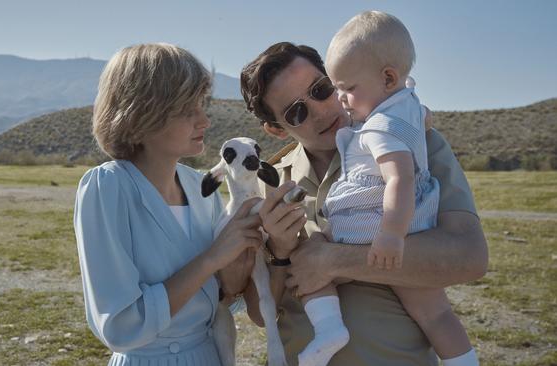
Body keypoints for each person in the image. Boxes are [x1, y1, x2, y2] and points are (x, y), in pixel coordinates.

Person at [236, 41, 488, 365]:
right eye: (296, 112)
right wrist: (280, 254)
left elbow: (469, 257)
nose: (320, 110)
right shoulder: (269, 184)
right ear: (275, 129)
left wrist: (335, 260)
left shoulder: (411, 142)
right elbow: (259, 314)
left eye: (321, 89)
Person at [73, 43, 263, 366]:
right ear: (142, 113)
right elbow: (121, 326)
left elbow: (221, 299)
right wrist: (212, 259)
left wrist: (240, 266)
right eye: (188, 110)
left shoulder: (201, 187)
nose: (204, 120)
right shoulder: (107, 188)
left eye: (202, 105)